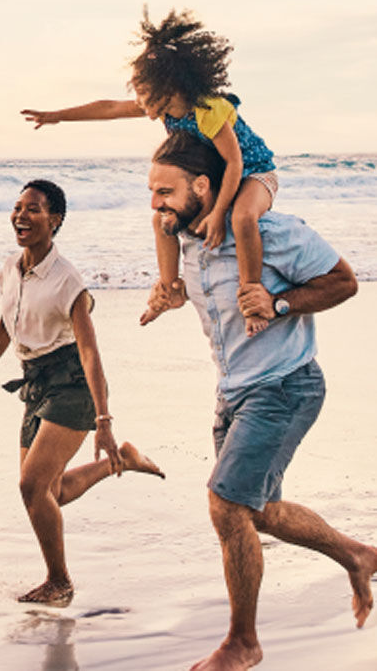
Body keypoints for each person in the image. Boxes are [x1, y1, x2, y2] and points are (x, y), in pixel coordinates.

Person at [144, 131, 377, 670]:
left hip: (286, 386)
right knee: (259, 512)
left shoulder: (272, 231)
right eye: (152, 192)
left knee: (226, 504)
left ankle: (242, 643)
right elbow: (182, 287)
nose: (156, 204)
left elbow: (344, 282)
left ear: (203, 186)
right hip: (234, 393)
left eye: (165, 192)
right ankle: (358, 555)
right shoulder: (186, 244)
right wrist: (168, 294)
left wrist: (278, 302)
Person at [0, 179, 164, 606]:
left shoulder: (68, 280)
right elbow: (5, 326)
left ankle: (59, 581)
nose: (21, 215)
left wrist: (103, 419)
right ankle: (119, 462)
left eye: (33, 209)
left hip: (71, 384)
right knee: (49, 494)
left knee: (31, 488)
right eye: (17, 207)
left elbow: (89, 350)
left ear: (56, 220)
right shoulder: (10, 268)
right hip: (34, 382)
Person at [21, 7, 277, 337]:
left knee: (242, 219)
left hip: (254, 173)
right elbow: (109, 108)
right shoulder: (163, 107)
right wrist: (58, 116)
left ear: (170, 87)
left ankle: (252, 297)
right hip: (210, 181)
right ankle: (169, 290)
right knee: (161, 220)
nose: (139, 100)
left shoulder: (208, 110)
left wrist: (219, 213)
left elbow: (234, 163)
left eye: (144, 92)